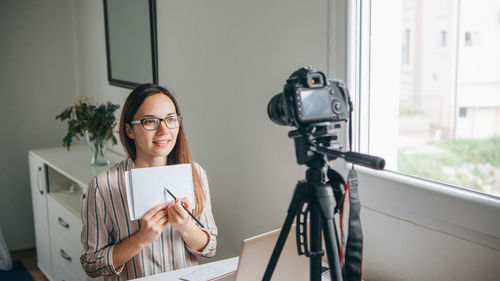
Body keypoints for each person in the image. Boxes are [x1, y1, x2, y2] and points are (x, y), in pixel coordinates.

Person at [81, 84, 217, 280]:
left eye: (171, 119)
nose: (163, 130)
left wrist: (187, 227)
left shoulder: (196, 174)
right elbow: (91, 264)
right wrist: (141, 238)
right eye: (150, 121)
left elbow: (210, 248)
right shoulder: (103, 186)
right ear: (129, 130)